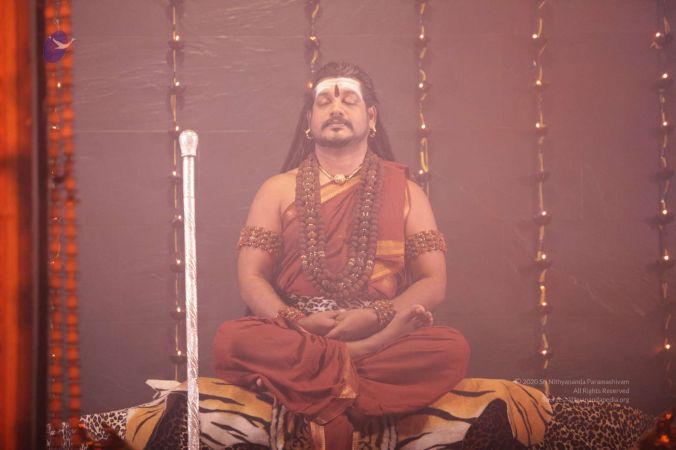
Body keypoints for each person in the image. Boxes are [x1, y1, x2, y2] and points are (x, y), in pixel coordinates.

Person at [212, 61, 470, 449]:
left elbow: (434, 281)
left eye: (349, 100)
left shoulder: (407, 192)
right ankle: (355, 365)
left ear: (371, 117)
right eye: (324, 102)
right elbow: (251, 278)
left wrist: (375, 317)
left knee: (450, 349)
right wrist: (300, 322)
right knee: (232, 340)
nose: (335, 108)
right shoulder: (277, 189)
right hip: (302, 330)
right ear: (308, 121)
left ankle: (310, 386)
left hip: (379, 329)